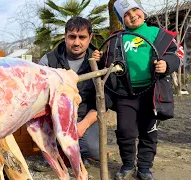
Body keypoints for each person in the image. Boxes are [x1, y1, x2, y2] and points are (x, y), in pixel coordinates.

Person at [92, 0, 181, 179]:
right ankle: (127, 165)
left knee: (148, 131)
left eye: (135, 10)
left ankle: (145, 168)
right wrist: (99, 59)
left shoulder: (157, 33)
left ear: (143, 12)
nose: (132, 15)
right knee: (125, 131)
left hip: (151, 92)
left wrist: (167, 64)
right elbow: (108, 64)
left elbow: (176, 54)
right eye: (126, 14)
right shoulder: (116, 38)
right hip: (125, 93)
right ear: (122, 19)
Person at [38, 16, 110, 165]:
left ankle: (80, 152)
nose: (77, 42)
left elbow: (105, 100)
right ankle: (56, 152)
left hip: (85, 117)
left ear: (90, 37)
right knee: (44, 136)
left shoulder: (99, 62)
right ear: (65, 36)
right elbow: (38, 94)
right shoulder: (49, 61)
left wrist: (82, 126)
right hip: (55, 117)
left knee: (94, 150)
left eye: (82, 37)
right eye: (72, 37)